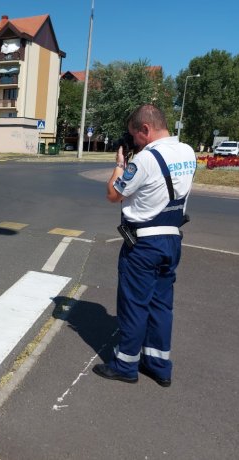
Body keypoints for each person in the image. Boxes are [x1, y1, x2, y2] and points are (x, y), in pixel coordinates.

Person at [93, 104, 196, 387]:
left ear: (145, 130)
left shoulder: (146, 160)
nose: (134, 141)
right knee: (161, 305)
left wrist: (119, 165)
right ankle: (159, 365)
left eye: (134, 136)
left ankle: (126, 365)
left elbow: (114, 194)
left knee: (134, 305)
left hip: (144, 245)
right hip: (172, 238)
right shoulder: (188, 152)